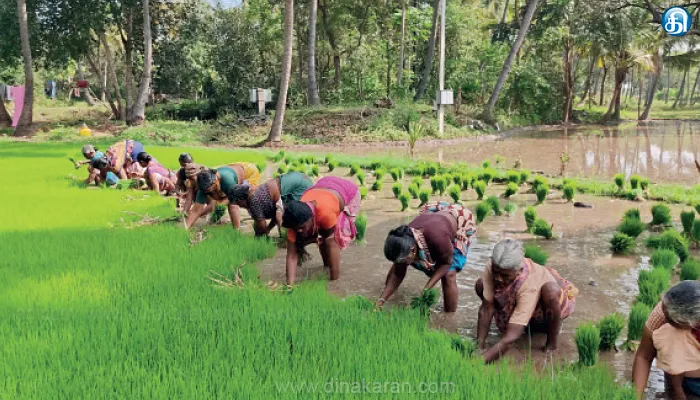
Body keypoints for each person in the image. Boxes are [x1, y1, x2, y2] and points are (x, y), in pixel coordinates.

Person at [475, 239, 578, 363]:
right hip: (520, 300)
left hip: (545, 307)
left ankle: (551, 345)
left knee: (550, 291)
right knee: (480, 284)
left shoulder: (529, 282)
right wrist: (479, 348)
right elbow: (486, 308)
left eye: (505, 276)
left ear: (519, 270)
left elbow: (511, 337)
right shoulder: (493, 266)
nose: (499, 279)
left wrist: (478, 362)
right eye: (496, 273)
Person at [376, 201, 476, 313]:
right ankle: (389, 294)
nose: (401, 263)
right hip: (433, 220)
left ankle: (449, 316)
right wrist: (381, 301)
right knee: (399, 263)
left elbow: (446, 263)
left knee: (449, 274)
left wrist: (426, 290)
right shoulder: (405, 241)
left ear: (413, 250)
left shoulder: (437, 238)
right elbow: (398, 273)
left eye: (403, 260)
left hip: (457, 222)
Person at [281, 176, 360, 286]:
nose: (298, 230)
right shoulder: (294, 220)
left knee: (332, 238)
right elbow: (291, 255)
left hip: (347, 192)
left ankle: (333, 272)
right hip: (323, 187)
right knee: (321, 237)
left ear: (310, 218)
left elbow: (331, 241)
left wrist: (334, 283)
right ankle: (326, 265)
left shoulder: (324, 213)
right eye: (296, 228)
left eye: (302, 227)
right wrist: (289, 285)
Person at [633, 281, 700, 400]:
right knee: (670, 334)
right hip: (682, 379)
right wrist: (634, 397)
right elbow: (644, 357)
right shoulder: (663, 311)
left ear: (691, 323)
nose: (663, 315)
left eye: (669, 318)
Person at [227, 171, 313, 237]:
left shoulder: (253, 201)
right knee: (285, 215)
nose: (241, 207)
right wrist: (269, 229)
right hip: (297, 178)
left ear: (241, 199)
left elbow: (261, 224)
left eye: (239, 204)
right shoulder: (255, 191)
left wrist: (261, 236)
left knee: (294, 216)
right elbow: (275, 213)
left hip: (297, 186)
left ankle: (296, 240)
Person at [185, 164, 258, 230]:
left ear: (216, 180)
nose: (208, 191)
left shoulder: (227, 182)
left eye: (210, 188)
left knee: (236, 203)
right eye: (206, 190)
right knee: (220, 201)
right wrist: (186, 228)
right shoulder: (203, 187)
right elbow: (195, 210)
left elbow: (233, 205)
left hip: (247, 172)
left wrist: (236, 231)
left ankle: (238, 229)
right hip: (229, 169)